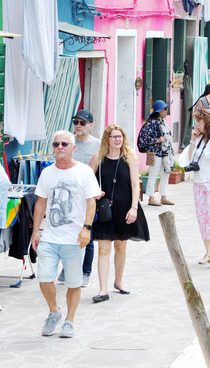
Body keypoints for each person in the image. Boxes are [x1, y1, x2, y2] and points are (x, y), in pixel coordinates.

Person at [32, 130, 101, 338]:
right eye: (56, 144)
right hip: (50, 237)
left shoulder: (84, 172)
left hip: (75, 239)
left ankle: (69, 320)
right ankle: (54, 312)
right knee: (44, 278)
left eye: (64, 144)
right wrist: (36, 231)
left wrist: (87, 228)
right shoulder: (47, 173)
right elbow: (41, 203)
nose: (60, 147)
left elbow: (91, 201)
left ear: (73, 147)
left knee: (73, 282)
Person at [89, 125, 150, 303]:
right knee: (103, 249)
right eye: (114, 136)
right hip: (105, 209)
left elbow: (134, 185)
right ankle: (102, 289)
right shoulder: (98, 158)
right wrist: (94, 192)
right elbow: (87, 179)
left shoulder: (129, 157)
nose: (118, 139)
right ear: (107, 139)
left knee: (121, 247)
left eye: (120, 136)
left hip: (124, 208)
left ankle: (119, 281)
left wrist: (134, 208)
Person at [178, 109, 210, 266]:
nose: (197, 125)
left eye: (199, 121)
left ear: (207, 122)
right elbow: (187, 159)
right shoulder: (198, 138)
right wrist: (193, 139)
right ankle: (208, 251)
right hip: (199, 183)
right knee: (202, 217)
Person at [57, 109, 100, 287]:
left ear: (91, 125)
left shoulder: (97, 145)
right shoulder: (67, 142)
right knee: (66, 233)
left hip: (85, 195)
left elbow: (92, 171)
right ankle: (67, 268)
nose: (78, 126)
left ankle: (85, 272)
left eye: (82, 123)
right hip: (66, 194)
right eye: (76, 122)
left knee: (86, 233)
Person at [139, 100, 175, 207]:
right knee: (153, 175)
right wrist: (157, 140)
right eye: (164, 109)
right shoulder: (150, 123)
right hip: (155, 153)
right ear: (159, 111)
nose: (166, 111)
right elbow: (143, 138)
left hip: (165, 153)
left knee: (165, 174)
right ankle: (151, 197)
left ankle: (163, 196)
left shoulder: (163, 121)